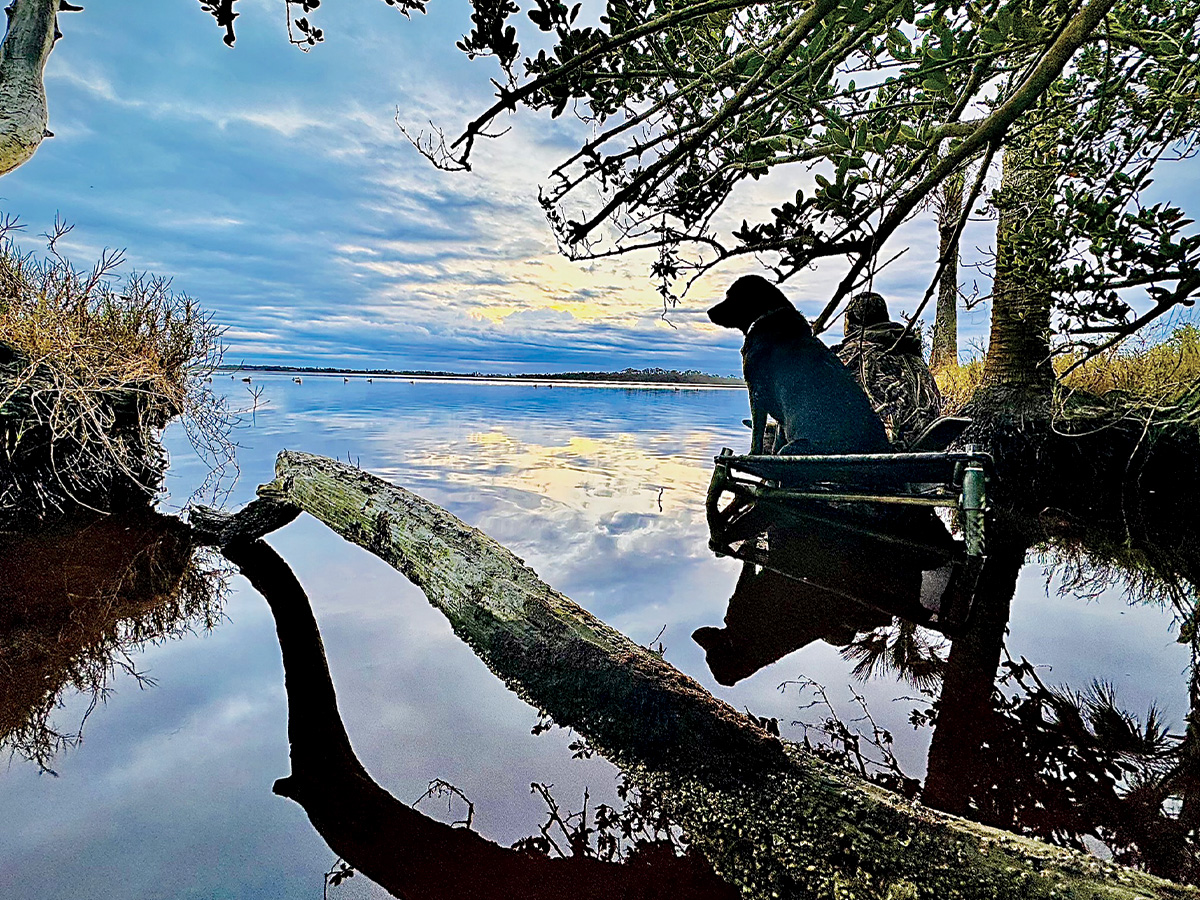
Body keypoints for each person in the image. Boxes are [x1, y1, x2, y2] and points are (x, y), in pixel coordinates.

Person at [832, 291, 942, 448]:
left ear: (851, 322)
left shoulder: (854, 354)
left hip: (883, 457)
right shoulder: (911, 352)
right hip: (928, 453)